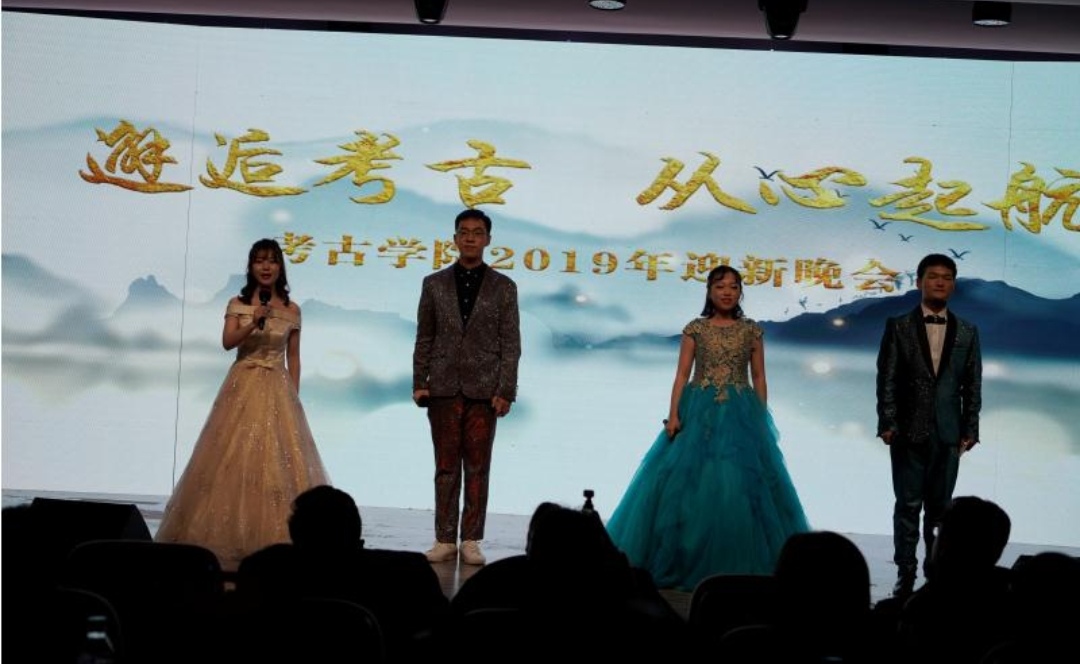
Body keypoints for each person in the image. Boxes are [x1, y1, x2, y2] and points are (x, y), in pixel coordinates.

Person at [605, 264, 810, 592]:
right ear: (709, 291)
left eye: (733, 286)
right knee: (685, 484)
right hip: (698, 410)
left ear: (741, 292)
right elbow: (681, 375)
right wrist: (673, 414)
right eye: (720, 286)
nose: (727, 292)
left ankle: (737, 561)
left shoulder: (752, 331)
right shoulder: (695, 329)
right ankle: (683, 559)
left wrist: (760, 416)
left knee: (741, 483)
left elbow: (759, 377)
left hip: (740, 411)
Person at [155, 238, 329, 571]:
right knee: (232, 458)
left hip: (277, 387)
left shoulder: (293, 310)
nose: (266, 267)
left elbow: (294, 357)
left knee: (276, 461)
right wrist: (253, 321)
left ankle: (278, 538)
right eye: (259, 261)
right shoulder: (238, 303)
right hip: (243, 384)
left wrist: (293, 397)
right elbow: (227, 342)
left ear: (280, 267)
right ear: (250, 267)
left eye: (272, 261)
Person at [412, 208, 521, 566]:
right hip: (443, 387)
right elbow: (425, 336)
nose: (471, 237)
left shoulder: (504, 287)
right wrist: (420, 381)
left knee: (477, 467)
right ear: (455, 238)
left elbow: (511, 343)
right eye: (464, 232)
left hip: (484, 390)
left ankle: (471, 539)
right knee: (445, 466)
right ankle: (445, 538)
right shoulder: (434, 283)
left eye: (477, 232)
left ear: (488, 239)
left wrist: (505, 390)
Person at [236, 485, 449, 663]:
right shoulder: (408, 573)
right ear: (355, 531)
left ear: (295, 533)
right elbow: (445, 632)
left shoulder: (263, 570)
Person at [876, 253, 982, 598]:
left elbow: (972, 383)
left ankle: (935, 572)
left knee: (940, 509)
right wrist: (888, 421)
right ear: (919, 281)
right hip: (907, 430)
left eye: (947, 277)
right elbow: (887, 377)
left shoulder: (967, 330)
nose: (940, 282)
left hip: (949, 432)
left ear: (954, 285)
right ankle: (905, 572)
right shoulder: (899, 325)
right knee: (908, 506)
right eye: (933, 276)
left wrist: (970, 428)